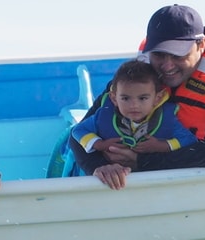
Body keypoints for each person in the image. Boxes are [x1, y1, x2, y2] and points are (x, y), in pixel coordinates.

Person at [71, 4, 205, 189]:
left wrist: (140, 162)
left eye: (178, 55)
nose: (167, 66)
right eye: (159, 55)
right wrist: (98, 166)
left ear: (201, 45)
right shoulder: (142, 69)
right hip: (159, 176)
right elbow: (77, 134)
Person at [70, 59, 197, 189]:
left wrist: (161, 146)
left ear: (157, 98)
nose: (134, 105)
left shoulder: (167, 120)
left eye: (142, 98)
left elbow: (188, 139)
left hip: (150, 184)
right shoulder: (103, 116)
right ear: (114, 98)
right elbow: (78, 130)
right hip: (111, 183)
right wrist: (100, 144)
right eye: (125, 98)